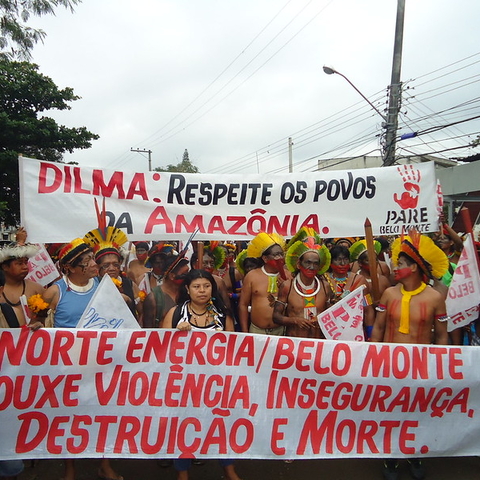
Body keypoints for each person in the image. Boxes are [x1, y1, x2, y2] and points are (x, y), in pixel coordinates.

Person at [42, 238, 122, 480]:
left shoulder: (104, 286)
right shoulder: (55, 291)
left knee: (103, 416)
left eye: (91, 257)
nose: (92, 264)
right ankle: (70, 468)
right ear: (70, 268)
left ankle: (104, 464)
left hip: (101, 365)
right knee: (67, 419)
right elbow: (38, 324)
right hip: (68, 369)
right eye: (85, 260)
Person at [371, 230, 449, 480]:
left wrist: (439, 365)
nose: (395, 267)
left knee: (417, 413)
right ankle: (390, 458)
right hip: (390, 365)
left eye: (401, 264)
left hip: (421, 367)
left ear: (415, 267)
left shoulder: (436, 298)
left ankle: (414, 455)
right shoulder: (389, 294)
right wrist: (372, 359)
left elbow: (442, 336)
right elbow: (379, 329)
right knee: (390, 413)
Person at [162, 269, 241, 480]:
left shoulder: (222, 316)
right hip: (184, 384)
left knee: (221, 425)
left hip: (216, 383)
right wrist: (176, 335)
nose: (202, 291)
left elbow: (233, 349)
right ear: (187, 289)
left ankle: (229, 469)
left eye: (206, 286)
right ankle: (183, 472)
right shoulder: (176, 314)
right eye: (196, 287)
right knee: (183, 425)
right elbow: (160, 349)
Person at [273, 228, 331, 338]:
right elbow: (276, 317)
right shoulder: (287, 286)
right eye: (307, 262)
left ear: (319, 266)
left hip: (320, 343)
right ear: (299, 264)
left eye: (315, 263)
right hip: (295, 344)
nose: (311, 267)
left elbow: (331, 313)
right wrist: (295, 320)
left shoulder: (325, 286)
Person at [84, 224, 144, 324]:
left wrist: (128, 301)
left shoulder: (129, 284)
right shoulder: (91, 285)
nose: (112, 269)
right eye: (106, 265)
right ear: (98, 266)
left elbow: (142, 312)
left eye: (115, 264)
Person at [238, 232, 288, 334]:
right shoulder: (252, 276)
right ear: (265, 258)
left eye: (281, 254)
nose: (279, 258)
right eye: (275, 255)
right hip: (257, 331)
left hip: (281, 331)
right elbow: (243, 304)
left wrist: (284, 286)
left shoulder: (289, 276)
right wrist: (244, 331)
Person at [0, 232, 44, 326]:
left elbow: (46, 320)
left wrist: (39, 324)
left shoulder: (37, 289)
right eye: (19, 263)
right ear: (5, 267)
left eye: (26, 262)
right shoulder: (1, 289)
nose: (25, 267)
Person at [143, 253, 190, 328]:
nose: (188, 276)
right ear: (172, 276)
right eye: (184, 274)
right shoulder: (153, 299)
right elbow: (148, 331)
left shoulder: (189, 293)